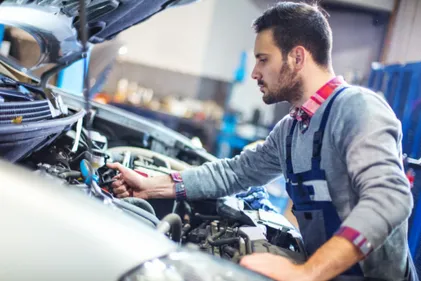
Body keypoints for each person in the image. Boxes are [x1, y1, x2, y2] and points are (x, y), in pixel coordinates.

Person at [107, 2, 419, 281]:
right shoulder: (291, 129)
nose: (255, 72)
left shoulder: (357, 109)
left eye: (263, 59)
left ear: (297, 57)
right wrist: (152, 186)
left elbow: (391, 198)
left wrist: (308, 272)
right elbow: (235, 173)